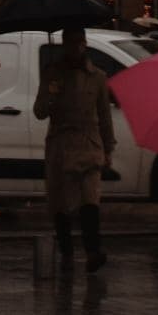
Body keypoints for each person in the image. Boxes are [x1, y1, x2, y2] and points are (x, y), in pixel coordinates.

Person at [35, 24, 114, 270]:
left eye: (80, 42)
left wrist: (108, 147)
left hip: (89, 144)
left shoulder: (98, 77)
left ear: (85, 45)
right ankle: (66, 249)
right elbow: (39, 112)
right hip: (62, 144)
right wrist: (51, 94)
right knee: (62, 203)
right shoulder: (53, 73)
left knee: (90, 198)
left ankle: (93, 250)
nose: (76, 48)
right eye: (71, 43)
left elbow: (104, 114)